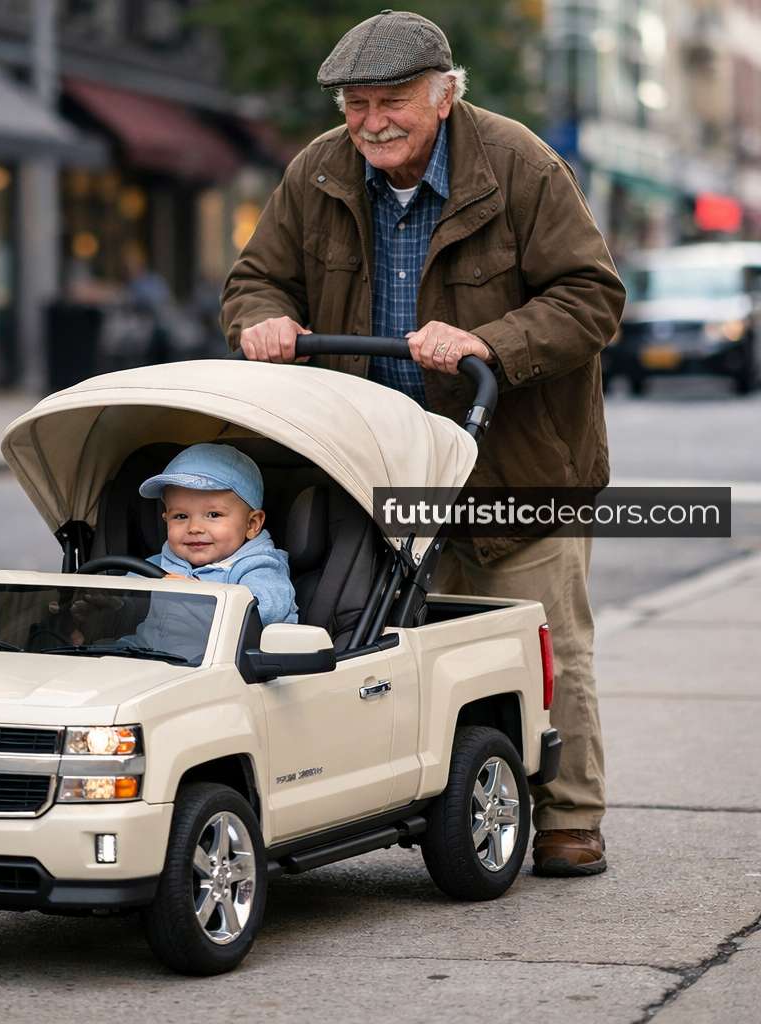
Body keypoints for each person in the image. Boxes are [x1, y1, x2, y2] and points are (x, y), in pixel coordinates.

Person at [221, 11, 625, 877]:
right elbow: (255, 280)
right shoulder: (319, 172)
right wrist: (261, 322)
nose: (371, 122)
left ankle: (567, 815)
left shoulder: (518, 164)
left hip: (519, 467)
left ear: (445, 94)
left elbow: (593, 297)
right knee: (391, 652)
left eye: (392, 101)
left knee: (544, 639)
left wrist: (495, 343)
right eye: (356, 104)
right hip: (378, 470)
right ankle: (412, 797)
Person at [139, 443, 298, 627]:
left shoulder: (259, 569)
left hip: (230, 654)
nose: (195, 528)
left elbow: (263, 611)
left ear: (252, 524)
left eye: (214, 515)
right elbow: (124, 604)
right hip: (147, 651)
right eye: (180, 516)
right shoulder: (155, 566)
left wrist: (198, 598)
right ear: (166, 519)